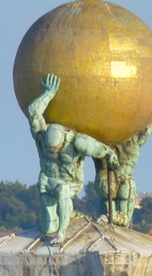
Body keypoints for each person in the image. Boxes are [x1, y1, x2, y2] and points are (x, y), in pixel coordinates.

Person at [27, 74, 116, 239]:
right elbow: (33, 112)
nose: (51, 151)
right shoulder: (41, 136)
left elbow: (100, 149)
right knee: (47, 228)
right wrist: (49, 94)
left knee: (62, 191)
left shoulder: (77, 142)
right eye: (48, 149)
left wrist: (110, 155)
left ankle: (62, 232)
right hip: (47, 181)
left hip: (70, 182)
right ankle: (65, 218)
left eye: (55, 149)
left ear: (62, 142)